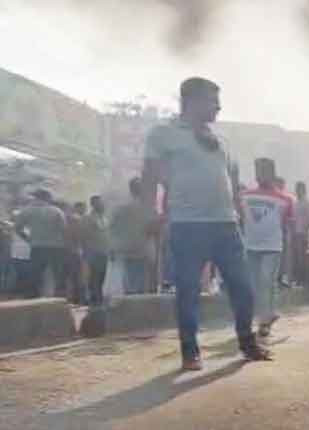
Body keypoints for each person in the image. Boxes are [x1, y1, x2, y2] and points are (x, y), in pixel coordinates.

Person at [141, 76, 271, 370]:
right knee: (188, 289)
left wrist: (240, 216)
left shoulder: (221, 140)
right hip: (187, 224)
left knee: (243, 287)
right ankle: (190, 351)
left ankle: (247, 343)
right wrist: (149, 214)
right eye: (213, 101)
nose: (219, 107)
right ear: (192, 101)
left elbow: (232, 182)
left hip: (226, 225)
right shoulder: (163, 134)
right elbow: (149, 175)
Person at [241, 158, 295, 338]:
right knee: (257, 284)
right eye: (258, 170)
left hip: (273, 247)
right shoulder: (245, 196)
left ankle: (264, 322)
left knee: (266, 280)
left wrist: (289, 252)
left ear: (272, 174)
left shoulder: (286, 199)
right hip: (251, 246)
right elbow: (240, 217)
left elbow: (288, 225)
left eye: (265, 171)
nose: (261, 175)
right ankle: (268, 314)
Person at [13, 189, 67, 298]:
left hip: (36, 246)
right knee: (56, 273)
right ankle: (58, 297)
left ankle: (34, 297)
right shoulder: (56, 211)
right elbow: (64, 229)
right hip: (55, 246)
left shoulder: (27, 211)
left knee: (36, 273)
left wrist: (28, 239)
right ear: (47, 197)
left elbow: (17, 228)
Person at [108, 178, 157, 295]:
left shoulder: (119, 208)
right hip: (143, 250)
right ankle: (136, 305)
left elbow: (112, 229)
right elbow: (153, 229)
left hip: (125, 250)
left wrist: (112, 248)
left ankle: (129, 303)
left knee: (128, 283)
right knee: (140, 284)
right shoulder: (148, 208)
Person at [79, 195, 110, 305]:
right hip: (92, 252)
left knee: (101, 276)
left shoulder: (105, 218)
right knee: (94, 278)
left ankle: (98, 298)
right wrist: (85, 251)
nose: (102, 205)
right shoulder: (87, 218)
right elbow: (83, 235)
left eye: (102, 202)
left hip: (103, 252)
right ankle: (94, 300)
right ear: (93, 204)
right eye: (99, 203)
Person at [292, 181, 309, 287]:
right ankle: (299, 280)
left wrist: (308, 234)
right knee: (298, 258)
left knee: (305, 259)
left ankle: (306, 281)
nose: (297, 191)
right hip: (297, 234)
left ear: (303, 190)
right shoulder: (295, 204)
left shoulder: (308, 204)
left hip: (305, 234)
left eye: (299, 189)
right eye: (296, 189)